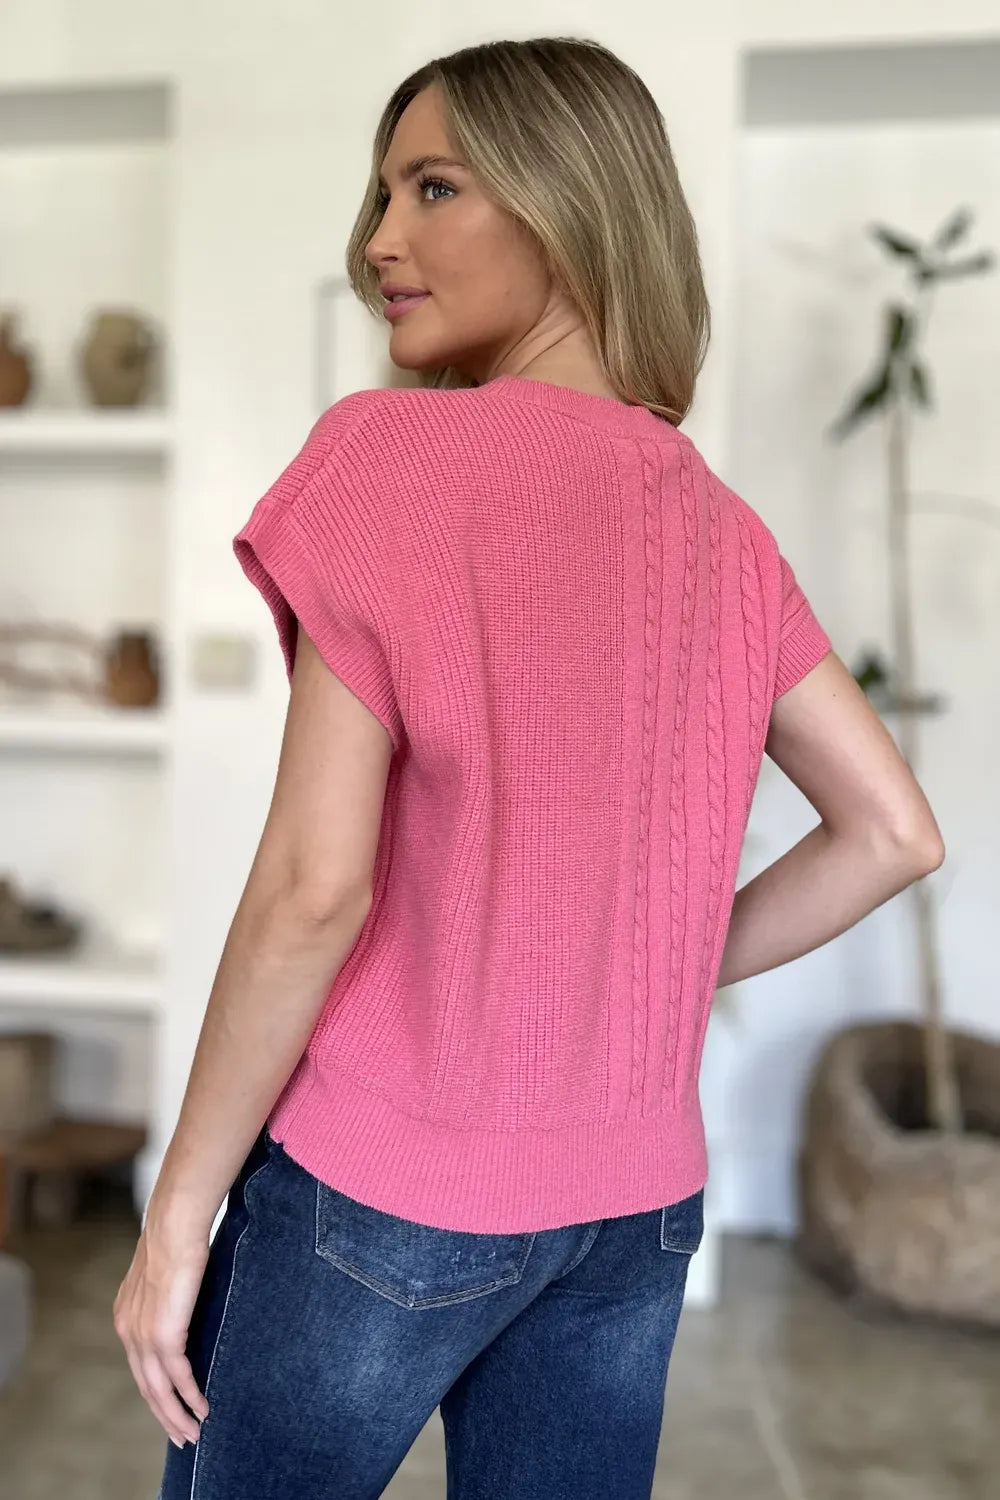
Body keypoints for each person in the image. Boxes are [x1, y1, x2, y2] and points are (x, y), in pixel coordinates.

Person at [114, 35, 945, 1500]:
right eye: (383, 194)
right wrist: (654, 969)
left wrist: (178, 1213)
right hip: (633, 1210)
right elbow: (890, 831)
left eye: (434, 187)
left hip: (380, 1195)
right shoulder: (720, 528)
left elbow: (313, 889)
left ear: (572, 203)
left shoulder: (387, 460)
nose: (381, 240)